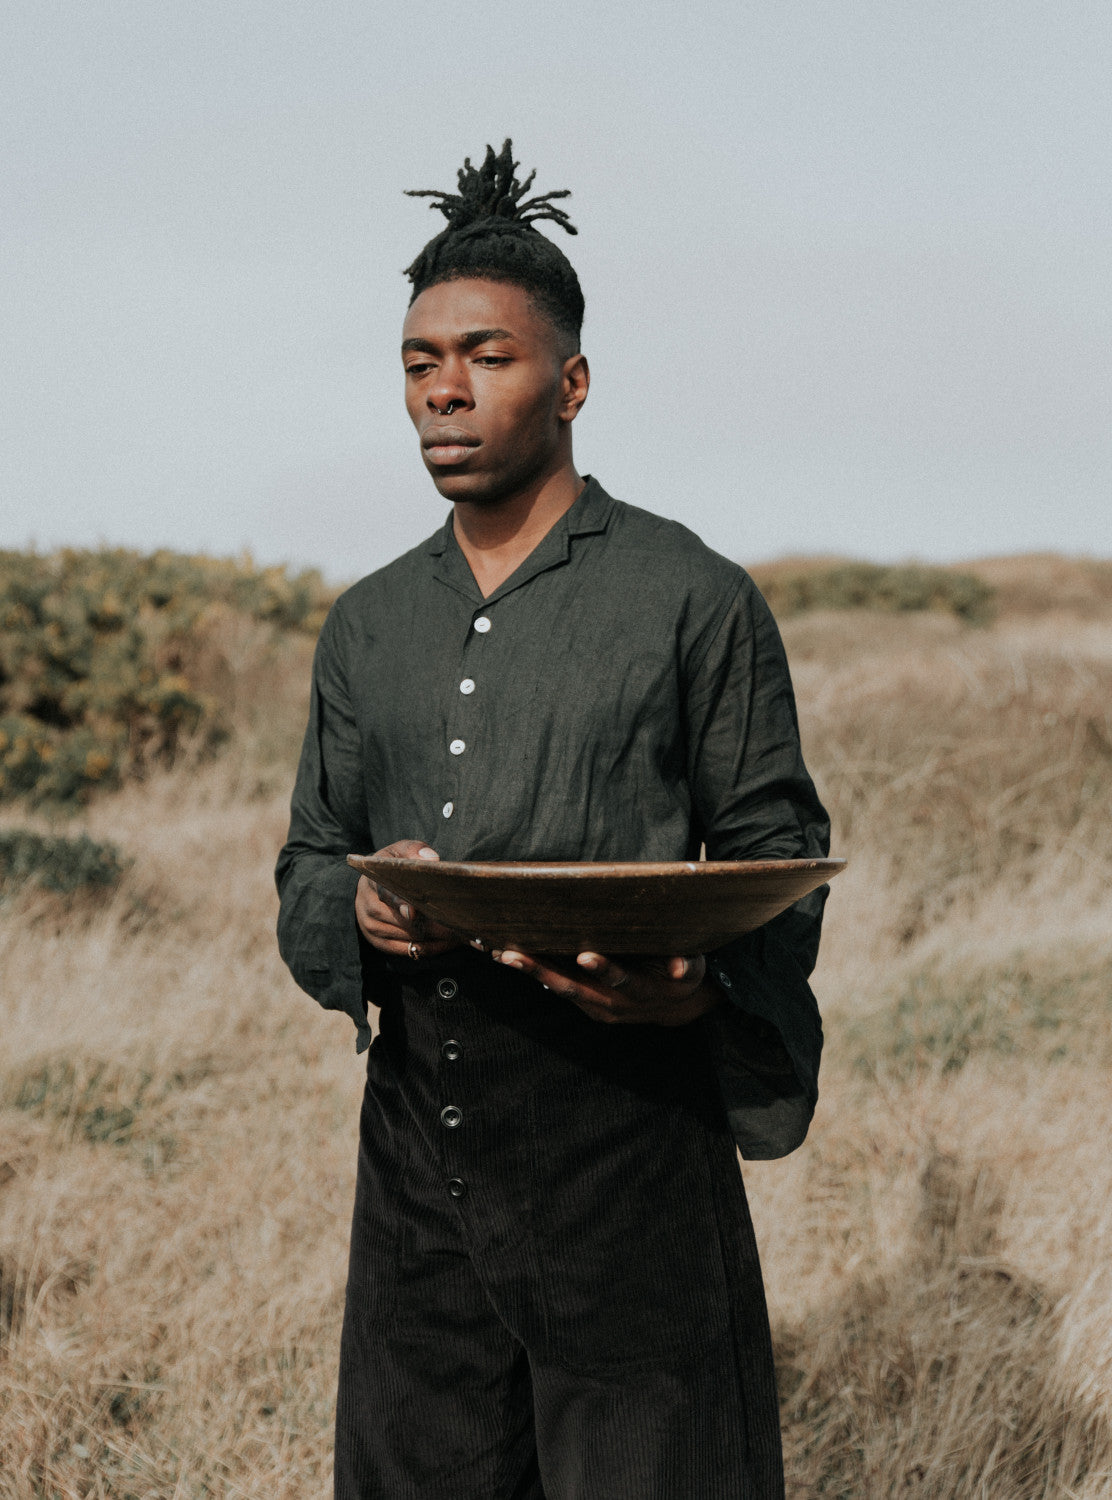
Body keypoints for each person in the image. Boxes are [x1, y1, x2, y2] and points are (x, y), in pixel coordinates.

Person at [276, 140, 830, 1499]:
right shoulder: (366, 623)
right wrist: (361, 908)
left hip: (628, 1148)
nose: (445, 390)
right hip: (421, 1155)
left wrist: (696, 990)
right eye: (420, 362)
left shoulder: (690, 596)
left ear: (571, 382)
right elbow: (308, 860)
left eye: (487, 356)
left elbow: (776, 855)